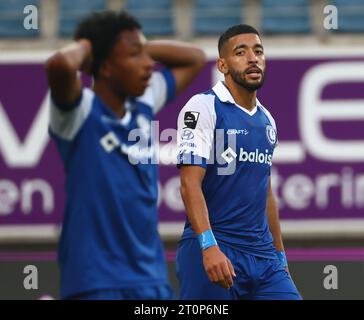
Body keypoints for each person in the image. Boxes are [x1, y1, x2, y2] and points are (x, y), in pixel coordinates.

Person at [45, 10, 206, 300]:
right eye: (135, 56)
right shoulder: (79, 115)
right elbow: (59, 65)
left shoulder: (142, 104)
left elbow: (195, 57)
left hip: (151, 280)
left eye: (146, 55)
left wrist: (138, 46)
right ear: (105, 67)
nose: (149, 65)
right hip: (96, 281)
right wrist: (92, 45)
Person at [175, 24, 301, 300]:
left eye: (258, 51)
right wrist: (208, 246)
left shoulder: (267, 119)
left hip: (264, 258)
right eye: (240, 52)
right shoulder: (203, 107)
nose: (253, 58)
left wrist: (280, 256)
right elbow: (188, 183)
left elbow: (265, 192)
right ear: (222, 65)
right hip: (217, 248)